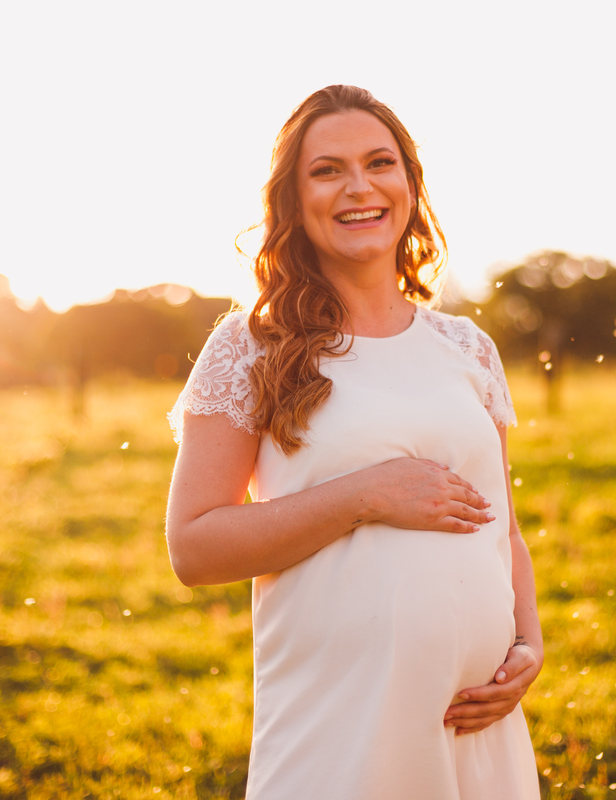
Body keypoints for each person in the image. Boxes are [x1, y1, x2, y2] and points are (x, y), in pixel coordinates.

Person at [166, 85, 543, 800]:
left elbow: (505, 530)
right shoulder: (251, 346)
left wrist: (528, 643)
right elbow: (194, 547)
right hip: (342, 732)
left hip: (479, 730)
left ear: (409, 183)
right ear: (292, 199)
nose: (359, 187)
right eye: (327, 170)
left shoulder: (467, 347)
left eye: (379, 163)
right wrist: (365, 495)